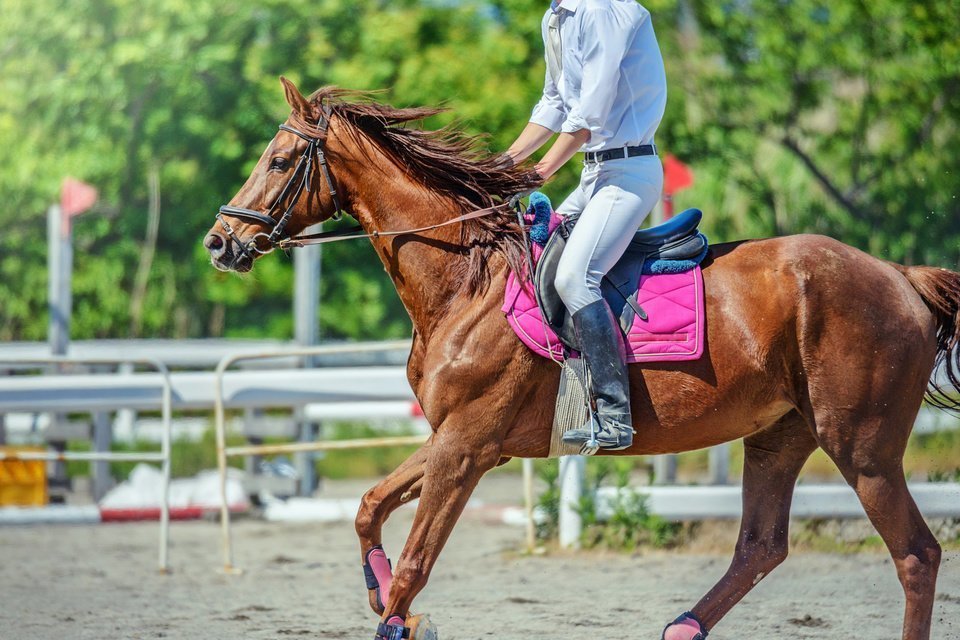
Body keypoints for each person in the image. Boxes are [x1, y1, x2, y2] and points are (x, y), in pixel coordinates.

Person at [506, 0, 667, 451]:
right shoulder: (555, 16)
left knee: (577, 277)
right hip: (594, 173)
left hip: (628, 174)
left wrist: (538, 173)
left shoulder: (600, 9)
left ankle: (615, 414)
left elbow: (589, 114)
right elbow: (554, 103)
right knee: (538, 258)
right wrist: (500, 167)